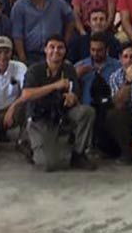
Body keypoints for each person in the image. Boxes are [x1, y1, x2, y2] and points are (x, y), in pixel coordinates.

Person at [18, 34, 97, 171]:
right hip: (40, 117)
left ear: (65, 51)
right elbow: (26, 95)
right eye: (52, 47)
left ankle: (79, 154)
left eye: (60, 48)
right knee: (48, 165)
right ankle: (28, 142)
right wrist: (54, 86)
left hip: (61, 113)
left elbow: (75, 91)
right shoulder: (35, 70)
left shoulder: (68, 69)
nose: (56, 51)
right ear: (45, 50)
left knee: (86, 112)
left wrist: (72, 97)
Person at [75, 32, 122, 158]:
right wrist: (76, 76)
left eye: (99, 50)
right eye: (93, 50)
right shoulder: (80, 66)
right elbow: (69, 89)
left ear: (107, 49)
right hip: (87, 107)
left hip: (109, 105)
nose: (95, 53)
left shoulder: (118, 66)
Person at [12, 0, 76, 65]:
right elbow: (17, 34)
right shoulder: (19, 6)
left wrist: (64, 43)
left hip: (54, 54)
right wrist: (22, 59)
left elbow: (71, 19)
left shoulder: (58, 2)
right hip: (30, 56)